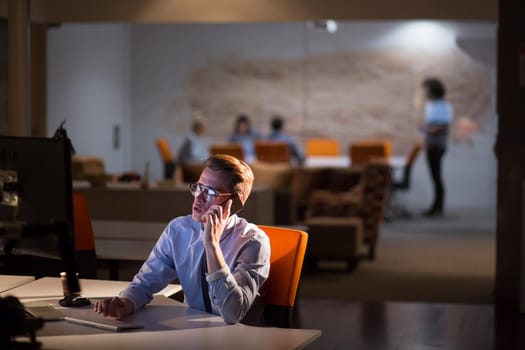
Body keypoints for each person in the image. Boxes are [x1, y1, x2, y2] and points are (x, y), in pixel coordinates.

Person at [94, 154, 271, 325]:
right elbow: (144, 284)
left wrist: (212, 246)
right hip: (193, 335)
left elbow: (232, 314)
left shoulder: (253, 242)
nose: (199, 197)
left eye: (210, 192)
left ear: (235, 203)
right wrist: (127, 302)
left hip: (240, 340)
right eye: (199, 187)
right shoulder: (179, 230)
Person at [419, 77, 453, 217]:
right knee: (435, 177)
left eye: (426, 89)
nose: (424, 92)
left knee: (436, 177)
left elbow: (441, 127)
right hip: (433, 144)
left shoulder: (441, 106)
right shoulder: (433, 105)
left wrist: (426, 130)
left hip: (436, 146)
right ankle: (436, 206)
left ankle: (437, 207)